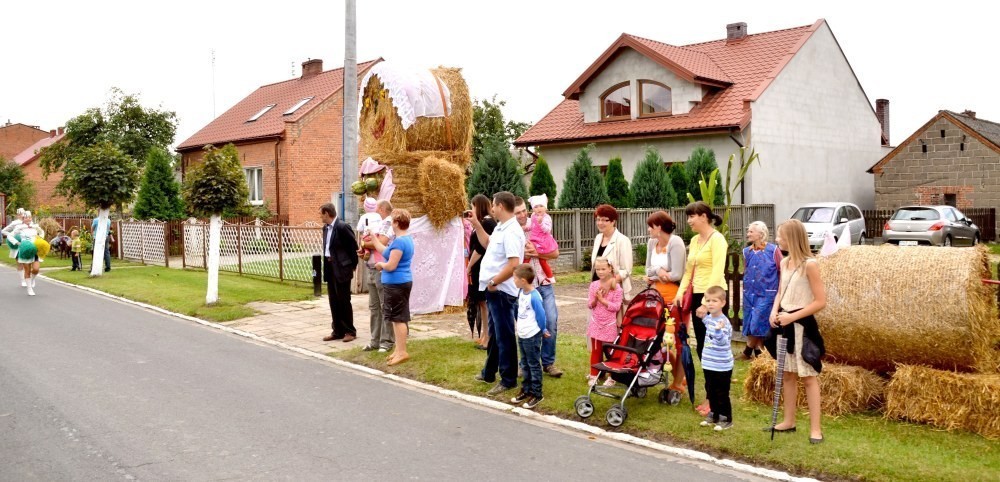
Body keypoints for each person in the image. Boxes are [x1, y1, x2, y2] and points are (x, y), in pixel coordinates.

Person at [768, 219, 827, 444]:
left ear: (791, 238)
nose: (777, 239)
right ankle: (788, 421)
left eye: (780, 236)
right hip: (784, 324)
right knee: (788, 374)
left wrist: (792, 316)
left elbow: (820, 301)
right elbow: (780, 291)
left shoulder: (810, 265)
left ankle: (816, 429)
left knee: (809, 377)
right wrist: (774, 310)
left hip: (802, 326)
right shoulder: (784, 262)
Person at [673, 201, 727, 416]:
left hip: (713, 299)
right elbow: (689, 271)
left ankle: (714, 398)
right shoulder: (695, 240)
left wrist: (706, 302)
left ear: (704, 216)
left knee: (713, 349)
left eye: (691, 216)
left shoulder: (718, 240)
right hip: (697, 296)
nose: (689, 221)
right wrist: (680, 293)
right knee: (702, 348)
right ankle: (710, 394)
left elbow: (717, 271)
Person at [476, 191, 525, 397]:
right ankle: (489, 372)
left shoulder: (512, 231)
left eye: (494, 205)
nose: (492, 209)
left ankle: (508, 379)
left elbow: (514, 264)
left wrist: (494, 282)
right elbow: (488, 244)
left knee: (504, 336)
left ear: (501, 206)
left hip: (502, 290)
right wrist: (476, 225)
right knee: (496, 334)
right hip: (495, 289)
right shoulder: (501, 227)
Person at [514, 197, 563, 377]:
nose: (522, 215)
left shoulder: (538, 222)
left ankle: (548, 363)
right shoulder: (511, 232)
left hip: (543, 283)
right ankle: (525, 364)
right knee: (524, 325)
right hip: (524, 287)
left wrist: (537, 253)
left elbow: (555, 253)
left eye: (523, 210)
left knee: (550, 321)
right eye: (517, 212)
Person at [643, 210, 687, 396]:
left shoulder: (675, 242)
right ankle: (673, 375)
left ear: (659, 227)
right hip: (655, 296)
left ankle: (678, 382)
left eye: (650, 226)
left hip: (673, 297)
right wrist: (659, 272)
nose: (648, 230)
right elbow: (647, 270)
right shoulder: (651, 243)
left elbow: (676, 274)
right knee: (656, 339)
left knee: (676, 340)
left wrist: (656, 273)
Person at [372, 209, 414, 366]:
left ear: (397, 223)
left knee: (398, 318)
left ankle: (402, 352)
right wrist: (374, 238)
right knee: (397, 317)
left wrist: (380, 265)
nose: (390, 224)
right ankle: (398, 350)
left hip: (396, 283)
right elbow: (386, 252)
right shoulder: (404, 239)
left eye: (391, 221)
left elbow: (391, 265)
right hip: (400, 282)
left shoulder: (399, 242)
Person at [510, 263, 549, 409]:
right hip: (522, 333)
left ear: (523, 280)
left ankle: (537, 393)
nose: (513, 281)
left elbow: (541, 315)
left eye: (515, 278)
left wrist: (543, 329)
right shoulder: (521, 293)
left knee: (533, 364)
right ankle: (526, 390)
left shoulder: (534, 296)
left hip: (532, 335)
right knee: (524, 363)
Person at [319, 203, 359, 343]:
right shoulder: (325, 228)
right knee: (333, 300)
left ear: (327, 213)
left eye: (321, 214)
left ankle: (350, 331)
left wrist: (352, 265)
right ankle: (337, 331)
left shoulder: (342, 227)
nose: (320, 217)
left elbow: (353, 247)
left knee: (343, 300)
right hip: (330, 267)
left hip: (342, 268)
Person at [742, 221, 782, 359]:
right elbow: (746, 270)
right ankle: (758, 352)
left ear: (760, 234)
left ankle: (748, 350)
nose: (748, 234)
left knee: (758, 322)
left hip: (767, 293)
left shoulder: (773, 250)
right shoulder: (746, 252)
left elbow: (781, 269)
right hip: (750, 294)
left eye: (751, 231)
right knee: (750, 321)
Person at [360, 200, 396, 352]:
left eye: (377, 208)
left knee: (384, 305)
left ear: (381, 208)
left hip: (382, 269)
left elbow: (381, 242)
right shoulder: (381, 223)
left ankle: (386, 341)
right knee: (374, 307)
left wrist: (364, 244)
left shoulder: (388, 222)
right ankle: (375, 340)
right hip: (372, 267)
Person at [698, 285, 734, 431]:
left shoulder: (723, 322)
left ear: (723, 303)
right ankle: (714, 414)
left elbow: (723, 342)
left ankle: (726, 418)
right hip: (709, 363)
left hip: (722, 365)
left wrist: (718, 331)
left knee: (722, 392)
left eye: (714, 301)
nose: (710, 304)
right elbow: (706, 322)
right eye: (708, 301)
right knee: (710, 390)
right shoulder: (710, 319)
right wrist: (703, 317)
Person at [587, 257, 623, 387]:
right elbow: (590, 305)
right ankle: (594, 374)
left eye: (603, 269)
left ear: (610, 269)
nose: (600, 272)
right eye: (597, 269)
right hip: (596, 322)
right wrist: (596, 299)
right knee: (596, 350)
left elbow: (616, 307)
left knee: (611, 352)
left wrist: (603, 300)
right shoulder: (594, 285)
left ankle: (612, 376)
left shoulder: (616, 287)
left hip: (609, 324)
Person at [466, 194, 496, 349]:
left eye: (473, 206)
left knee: (485, 303)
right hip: (479, 266)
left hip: (481, 265)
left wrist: (469, 266)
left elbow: (480, 248)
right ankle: (485, 334)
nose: (471, 209)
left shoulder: (487, 222)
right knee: (482, 303)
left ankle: (488, 336)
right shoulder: (482, 222)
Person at [589, 204, 633, 298]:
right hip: (598, 289)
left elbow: (626, 270)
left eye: (605, 220)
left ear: (613, 221)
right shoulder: (598, 238)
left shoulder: (622, 240)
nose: (600, 223)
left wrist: (609, 283)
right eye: (598, 219)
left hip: (615, 291)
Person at [9, 211, 45, 296]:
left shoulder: (35, 226)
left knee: (36, 269)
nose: (28, 219)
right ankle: (29, 288)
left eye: (29, 217)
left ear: (31, 218)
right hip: (24, 251)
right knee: (27, 270)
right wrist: (17, 243)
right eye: (26, 217)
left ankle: (32, 279)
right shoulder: (20, 227)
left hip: (34, 249)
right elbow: (10, 236)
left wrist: (40, 239)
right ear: (23, 219)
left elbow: (42, 232)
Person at [523, 194, 556, 280]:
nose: (539, 208)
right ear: (533, 209)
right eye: (536, 207)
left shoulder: (547, 218)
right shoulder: (533, 216)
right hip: (534, 239)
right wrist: (526, 228)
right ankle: (522, 272)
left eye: (541, 206)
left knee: (542, 260)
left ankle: (550, 276)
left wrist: (541, 223)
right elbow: (532, 226)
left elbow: (548, 230)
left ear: (545, 208)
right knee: (528, 255)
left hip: (542, 240)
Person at [2, 209, 27, 285]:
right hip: (17, 245)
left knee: (27, 262)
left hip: (27, 244)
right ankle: (23, 280)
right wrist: (12, 236)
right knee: (20, 262)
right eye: (20, 214)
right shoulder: (15, 223)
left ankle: (27, 278)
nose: (22, 215)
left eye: (23, 214)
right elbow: (3, 231)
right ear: (17, 215)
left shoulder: (29, 222)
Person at [356, 197, 382, 263]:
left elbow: (359, 228)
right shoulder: (378, 216)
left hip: (368, 236)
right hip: (377, 236)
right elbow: (381, 225)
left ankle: (366, 251)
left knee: (362, 239)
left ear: (365, 207)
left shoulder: (363, 217)